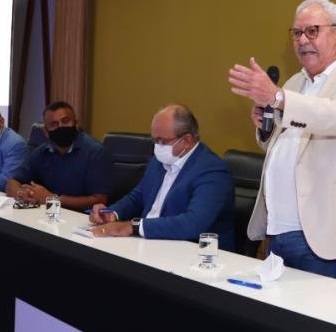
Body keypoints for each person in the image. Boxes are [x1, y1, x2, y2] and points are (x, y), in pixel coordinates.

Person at [227, 0, 336, 282]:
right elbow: (288, 145)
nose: (302, 40)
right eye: (297, 33)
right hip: (278, 230)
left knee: (319, 312)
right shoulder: (294, 83)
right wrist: (266, 129)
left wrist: (278, 97)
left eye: (312, 31)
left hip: (323, 237)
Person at [88, 104, 234, 249]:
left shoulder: (212, 171)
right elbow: (138, 196)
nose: (157, 147)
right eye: (155, 141)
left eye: (162, 141)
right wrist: (112, 213)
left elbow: (193, 223)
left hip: (193, 252)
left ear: (187, 141)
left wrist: (133, 227)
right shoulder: (159, 161)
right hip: (149, 244)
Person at [7, 101, 112, 212]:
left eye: (66, 121)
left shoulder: (95, 152)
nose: (61, 127)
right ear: (46, 131)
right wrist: (21, 194)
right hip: (48, 214)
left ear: (76, 123)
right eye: (53, 124)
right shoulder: (41, 153)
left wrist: (53, 199)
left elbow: (100, 199)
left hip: (81, 217)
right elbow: (13, 182)